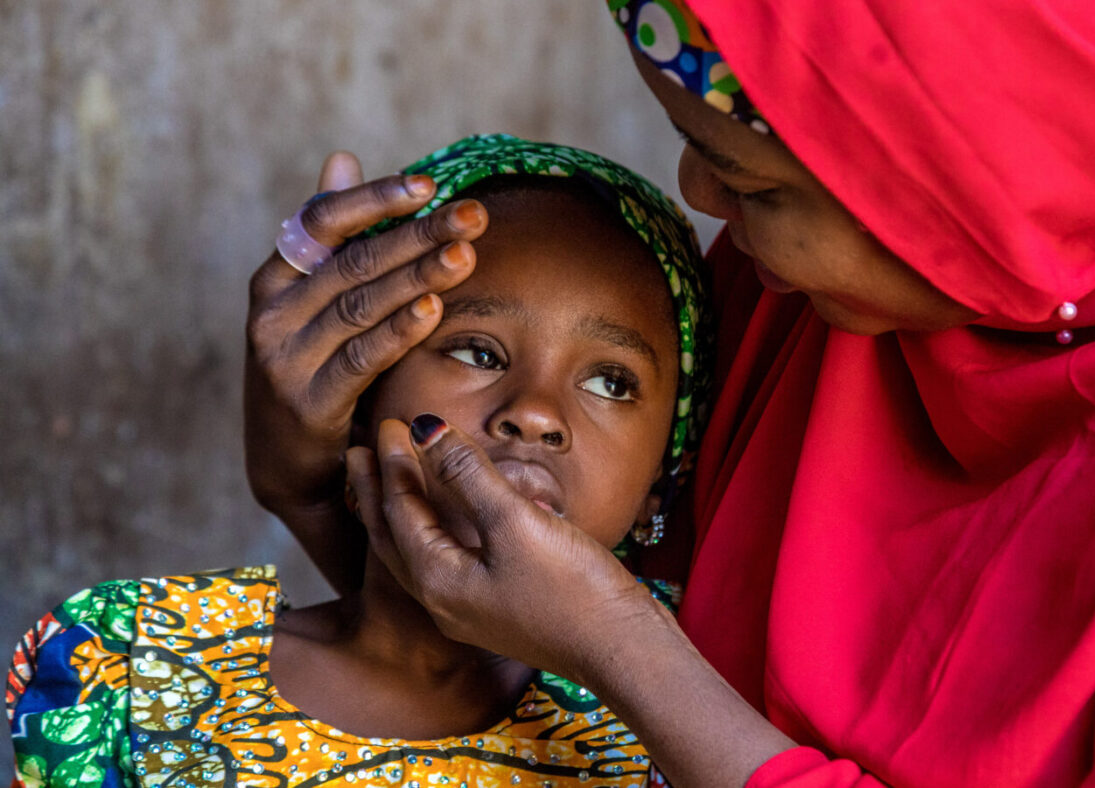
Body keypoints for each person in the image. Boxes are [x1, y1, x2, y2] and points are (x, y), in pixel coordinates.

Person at [243, 0, 1095, 785]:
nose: (699, 194)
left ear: (969, 164)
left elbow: (598, 655)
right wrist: (310, 477)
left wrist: (629, 649)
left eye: (748, 180)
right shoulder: (837, 283)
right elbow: (520, 697)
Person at [7, 134, 712, 787]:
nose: (534, 411)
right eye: (477, 352)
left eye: (610, 383)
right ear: (362, 396)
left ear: (661, 483)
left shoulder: (684, 720)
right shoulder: (134, 666)